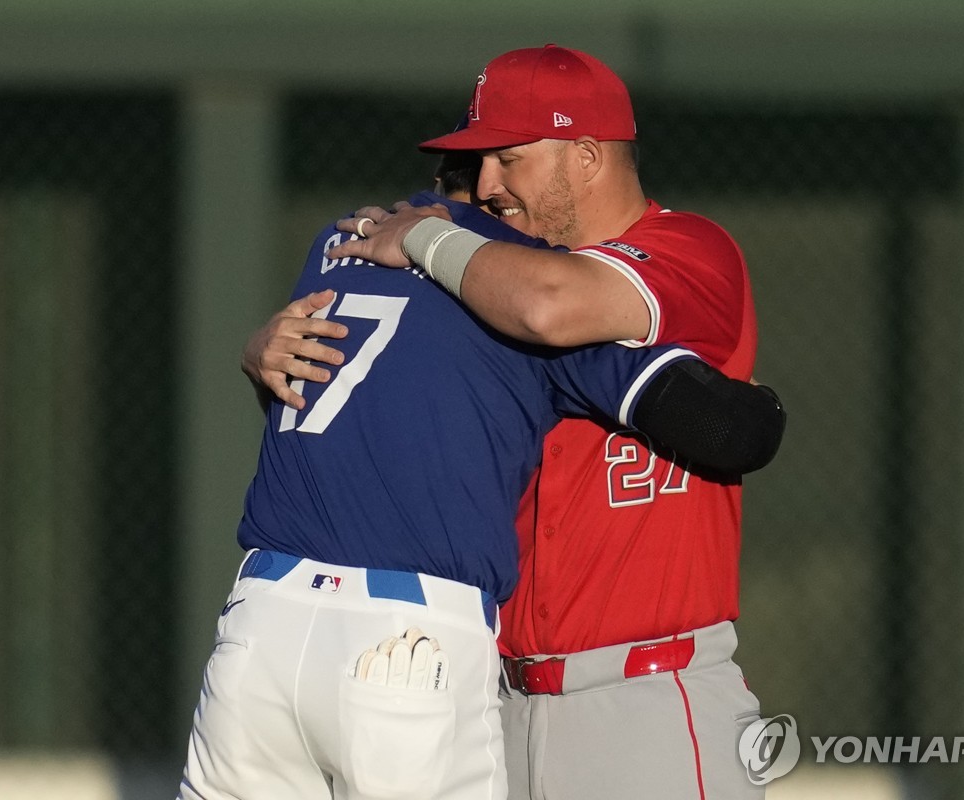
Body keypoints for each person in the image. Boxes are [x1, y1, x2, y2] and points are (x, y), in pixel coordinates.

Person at [180, 165, 785, 797]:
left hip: (260, 625)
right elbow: (729, 429)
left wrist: (256, 356)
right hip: (406, 640)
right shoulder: (512, 296)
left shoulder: (337, 249)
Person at [323, 44, 768, 800]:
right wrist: (269, 347)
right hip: (491, 701)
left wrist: (426, 239)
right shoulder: (482, 275)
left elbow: (553, 303)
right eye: (479, 163)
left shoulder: (691, 250)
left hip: (649, 698)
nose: (487, 185)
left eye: (510, 158)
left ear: (587, 156)